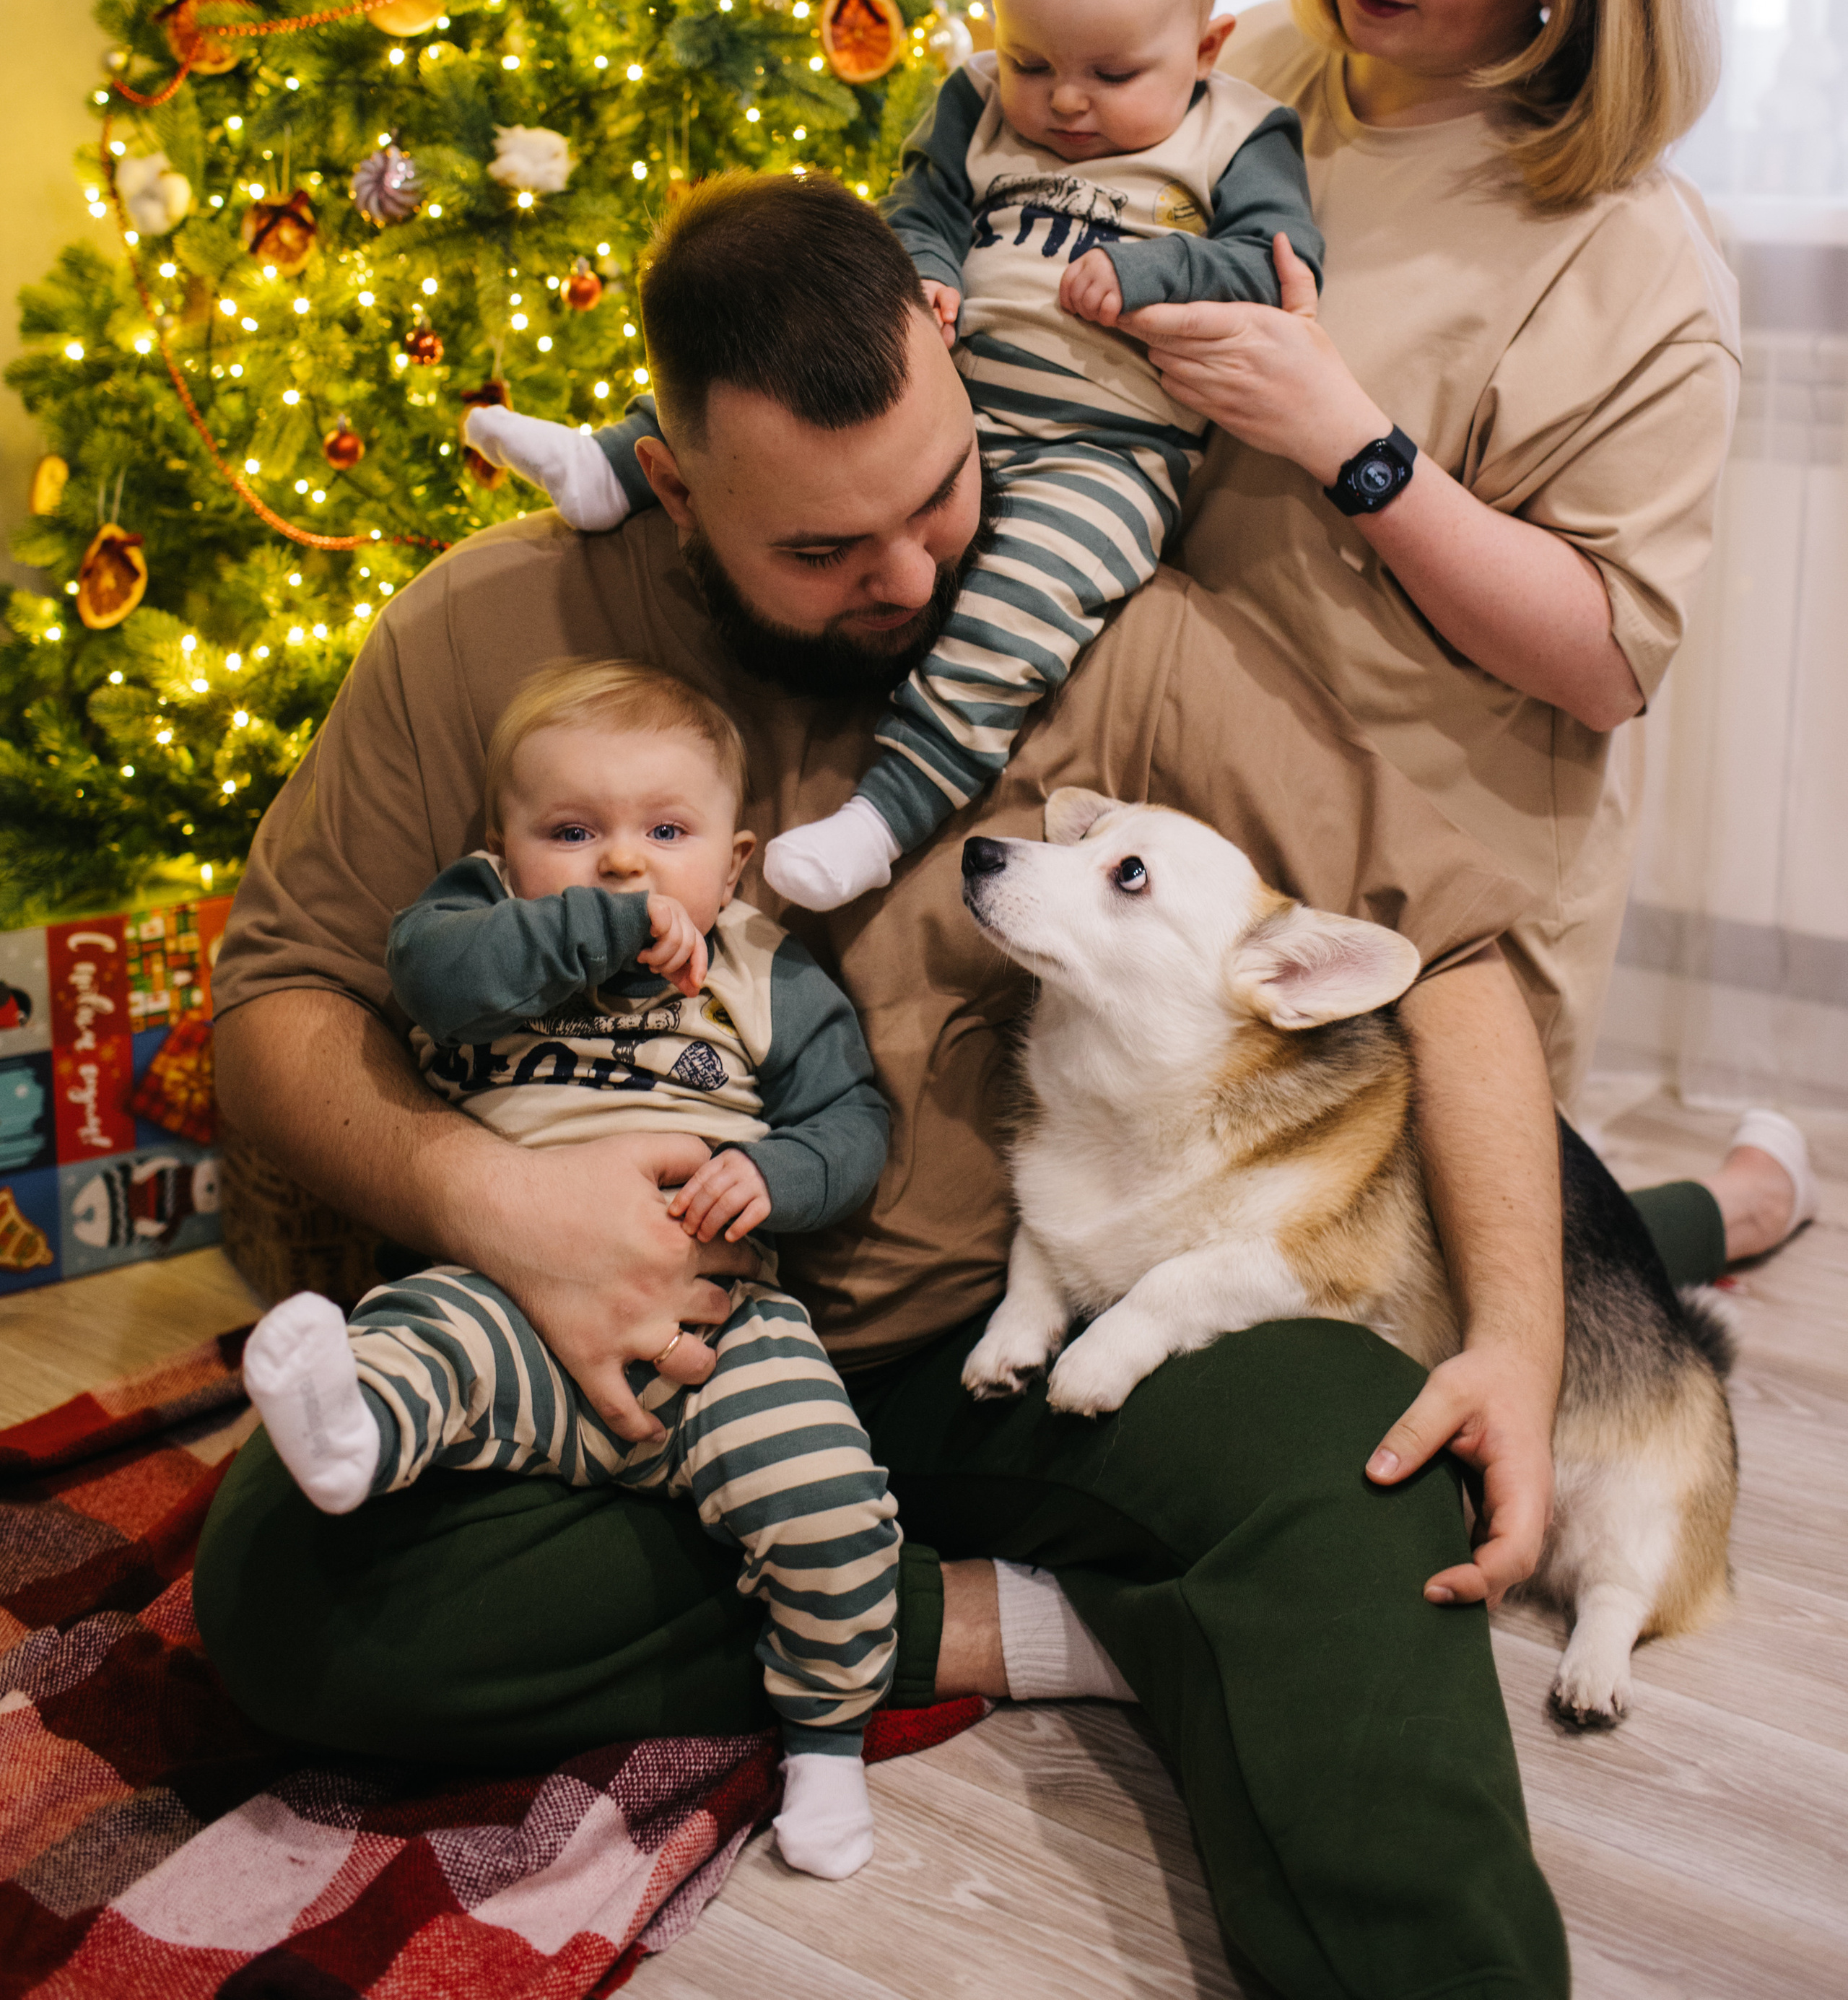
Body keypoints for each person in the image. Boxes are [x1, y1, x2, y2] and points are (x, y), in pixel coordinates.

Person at [196, 167, 1582, 1998]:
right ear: (675, 480)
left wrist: (1520, 1350)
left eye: (936, 498)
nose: (913, 577)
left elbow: (1449, 950)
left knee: (1364, 1480)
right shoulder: (485, 627)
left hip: (1014, 1342)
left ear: (945, 327)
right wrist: (492, 1203)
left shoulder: (1103, 608)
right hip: (616, 1353)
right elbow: (277, 997)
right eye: (823, 553)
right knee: (284, 1604)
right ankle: (982, 1623)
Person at [1115, 0, 1811, 1253]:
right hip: (1169, 809)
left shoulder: (1628, 254)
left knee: (1410, 1286)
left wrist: (1351, 447)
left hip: (1415, 878)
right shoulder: (1253, 69)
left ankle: (1722, 1205)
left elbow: (1599, 662)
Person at [467, 0, 1325, 915]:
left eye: (1112, 76)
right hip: (946, 376)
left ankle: (887, 811)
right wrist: (924, 272)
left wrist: (1152, 272)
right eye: (1030, 61)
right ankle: (612, 467)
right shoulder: (975, 102)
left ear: (1206, 48)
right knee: (782, 366)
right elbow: (920, 205)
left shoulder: (1236, 135)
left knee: (1019, 612)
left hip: (1101, 444)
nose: (1063, 102)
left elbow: (1285, 265)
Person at [238, 656, 898, 1881]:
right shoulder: (469, 934)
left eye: (665, 833)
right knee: (424, 1340)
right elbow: (435, 983)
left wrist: (784, 1178)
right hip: (508, 1303)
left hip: (719, 1319)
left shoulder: (765, 968)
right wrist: (598, 927)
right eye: (573, 832)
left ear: (738, 861)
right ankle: (358, 1429)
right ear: (500, 851)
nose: (623, 862)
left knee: (827, 1498)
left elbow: (853, 1123)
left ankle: (824, 1741)